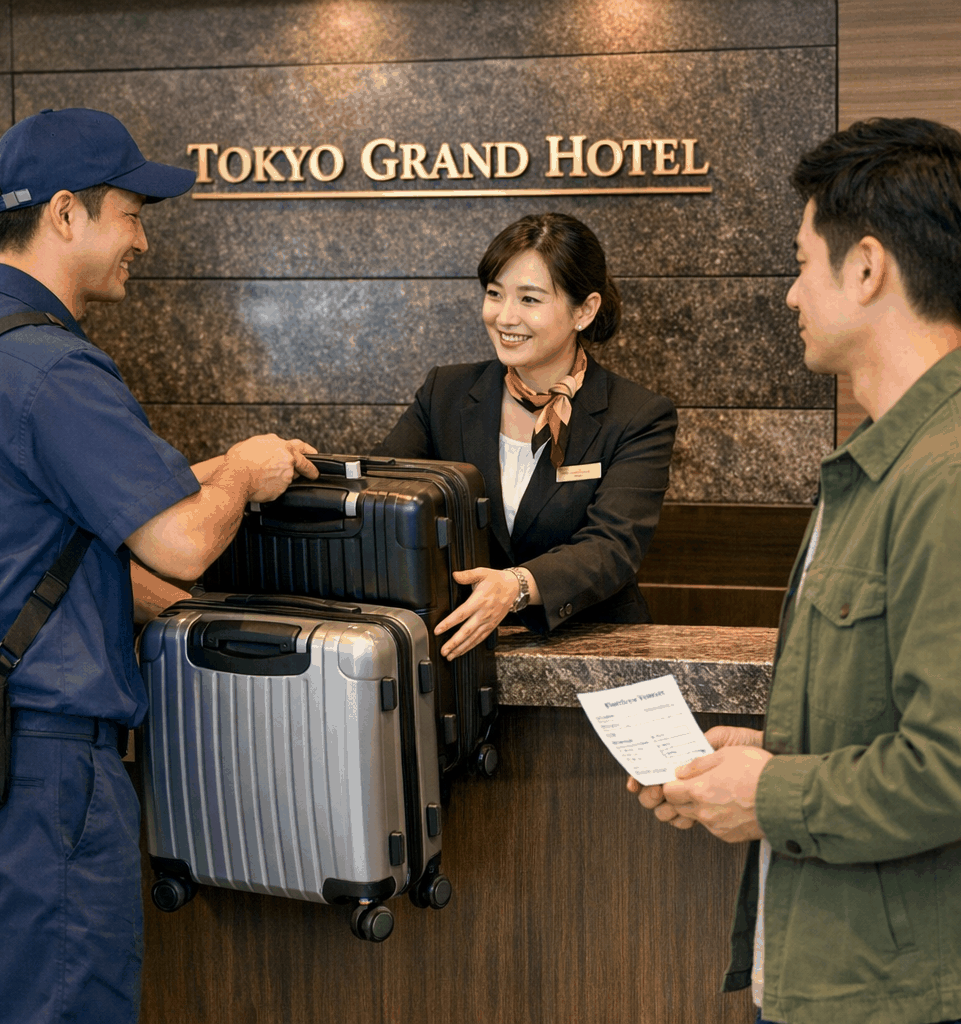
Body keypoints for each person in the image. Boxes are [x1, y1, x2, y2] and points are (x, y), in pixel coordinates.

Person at [0, 108, 319, 1024]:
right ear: (67, 214)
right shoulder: (53, 368)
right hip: (40, 776)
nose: (142, 240)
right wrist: (245, 470)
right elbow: (181, 544)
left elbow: (22, 515)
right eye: (132, 213)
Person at [630, 118, 961, 1024]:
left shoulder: (946, 473)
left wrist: (771, 795)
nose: (788, 294)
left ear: (866, 268)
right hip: (837, 971)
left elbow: (953, 766)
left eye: (802, 261)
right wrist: (760, 762)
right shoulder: (885, 456)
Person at [376, 212, 677, 659]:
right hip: (461, 648)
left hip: (592, 648)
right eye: (495, 295)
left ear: (585, 310)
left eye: (530, 299)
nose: (505, 316)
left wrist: (516, 586)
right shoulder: (446, 393)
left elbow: (612, 546)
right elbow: (383, 493)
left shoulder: (637, 415)